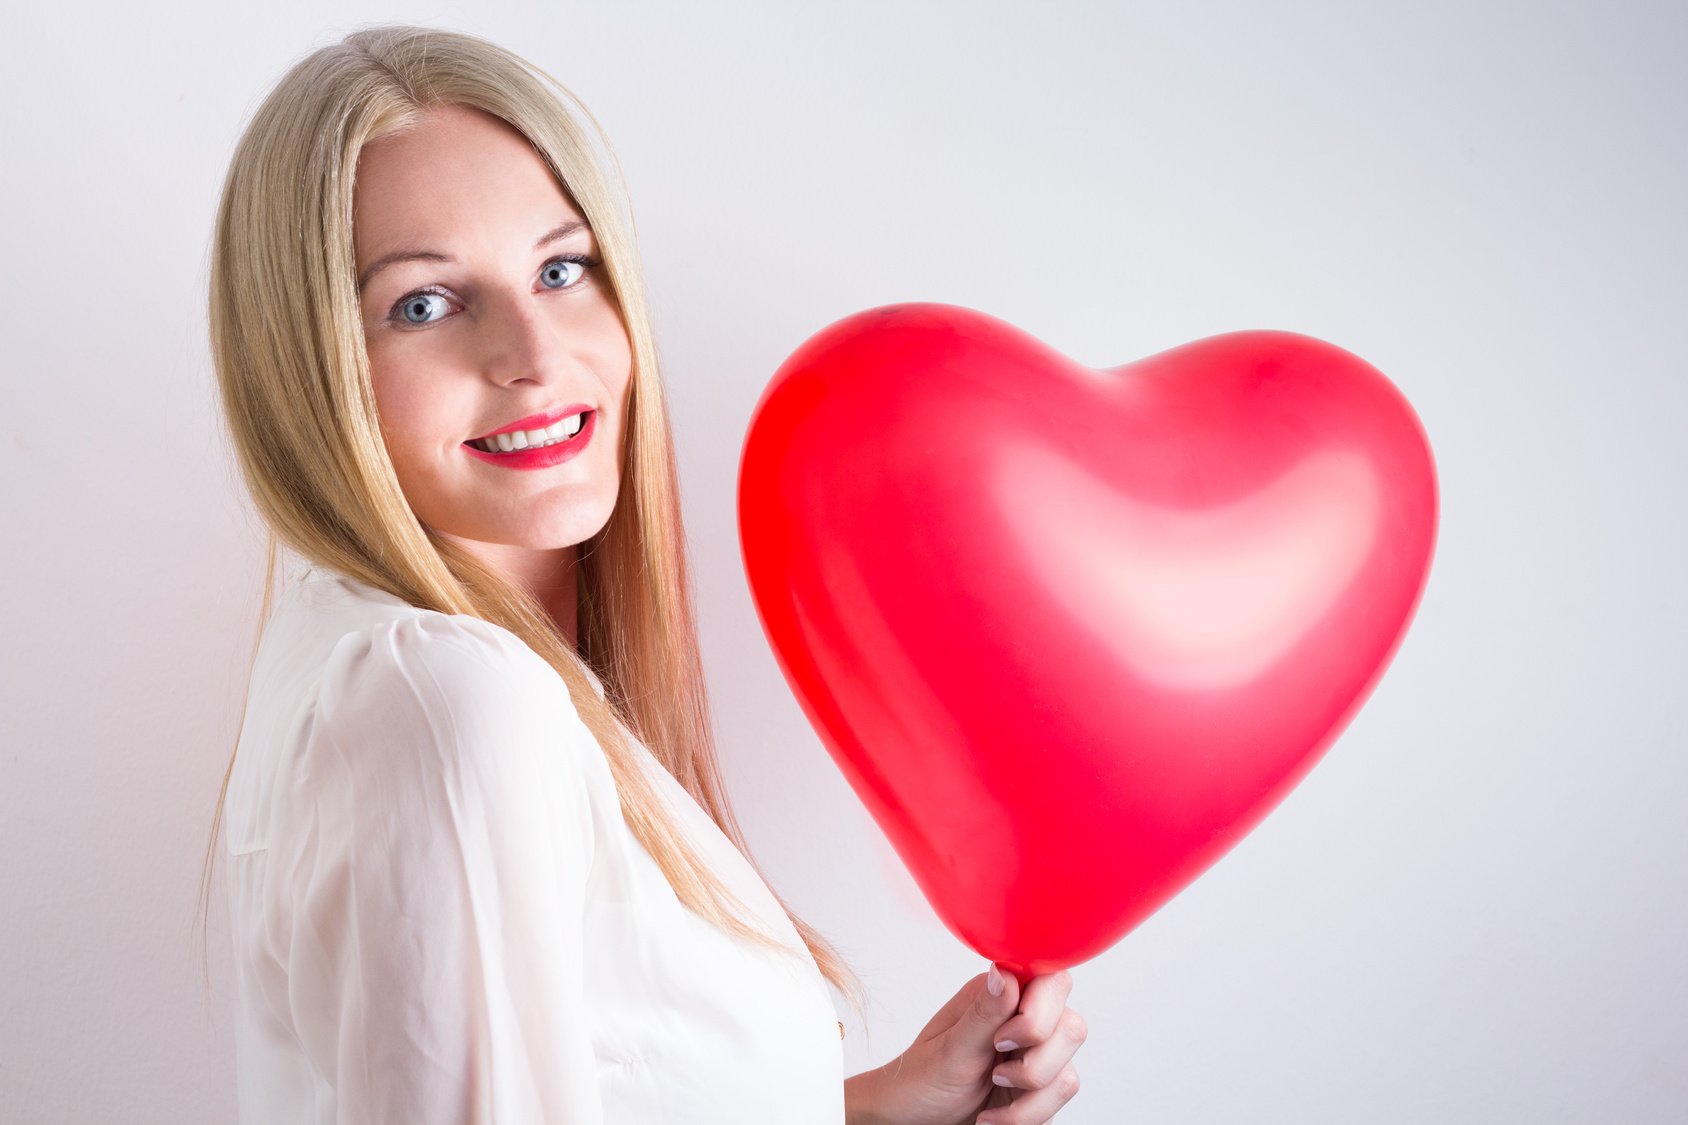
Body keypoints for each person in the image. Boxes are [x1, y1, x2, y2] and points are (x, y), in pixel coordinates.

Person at [196, 23, 1086, 1124]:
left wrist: (864, 1110)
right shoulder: (448, 699)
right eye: (423, 303)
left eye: (562, 270)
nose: (534, 352)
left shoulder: (378, 660)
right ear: (309, 368)